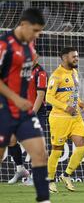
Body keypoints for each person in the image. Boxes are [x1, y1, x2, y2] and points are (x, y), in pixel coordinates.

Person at [0, 7, 69, 203]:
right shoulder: (4, 45)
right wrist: (16, 97)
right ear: (24, 24)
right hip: (4, 109)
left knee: (41, 155)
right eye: (36, 30)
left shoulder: (29, 47)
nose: (38, 35)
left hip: (24, 112)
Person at [46, 47, 84, 193]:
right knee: (57, 150)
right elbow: (49, 97)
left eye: (77, 56)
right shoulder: (56, 75)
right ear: (64, 58)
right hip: (59, 118)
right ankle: (50, 180)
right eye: (73, 56)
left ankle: (66, 175)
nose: (76, 58)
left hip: (75, 117)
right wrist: (65, 107)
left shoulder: (74, 72)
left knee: (82, 147)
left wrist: (80, 102)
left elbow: (72, 93)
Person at [7, 54, 48, 185]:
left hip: (36, 112)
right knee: (11, 139)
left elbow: (40, 95)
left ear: (37, 57)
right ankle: (20, 170)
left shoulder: (40, 73)